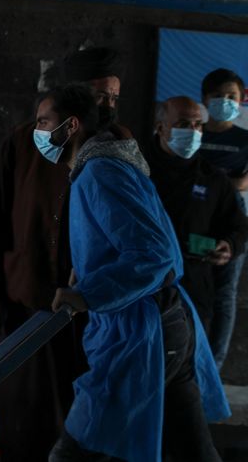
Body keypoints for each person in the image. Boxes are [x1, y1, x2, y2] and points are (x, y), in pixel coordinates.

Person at [43, 84, 229, 461]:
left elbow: (153, 254)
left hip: (140, 330)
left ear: (71, 125)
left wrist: (87, 295)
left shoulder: (99, 172)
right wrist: (88, 270)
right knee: (191, 447)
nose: (39, 131)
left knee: (76, 449)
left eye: (44, 122)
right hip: (165, 324)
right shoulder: (110, 164)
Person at [0, 47, 125, 462]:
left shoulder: (119, 148)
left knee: (85, 414)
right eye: (98, 95)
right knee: (22, 412)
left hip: (90, 310)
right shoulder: (24, 142)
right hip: (25, 300)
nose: (107, 105)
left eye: (113, 96)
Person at [144, 96, 248, 333]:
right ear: (161, 127)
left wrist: (228, 245)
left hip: (193, 292)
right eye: (182, 124)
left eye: (197, 125)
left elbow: (238, 226)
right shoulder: (136, 171)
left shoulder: (213, 179)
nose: (192, 131)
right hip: (142, 288)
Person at [199, 68, 248, 368]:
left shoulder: (245, 139)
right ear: (205, 98)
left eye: (232, 96)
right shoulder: (191, 132)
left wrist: (209, 184)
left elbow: (244, 184)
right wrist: (230, 182)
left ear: (242, 99)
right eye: (218, 96)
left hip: (232, 222)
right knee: (190, 284)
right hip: (194, 221)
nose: (225, 101)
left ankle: (214, 366)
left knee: (225, 293)